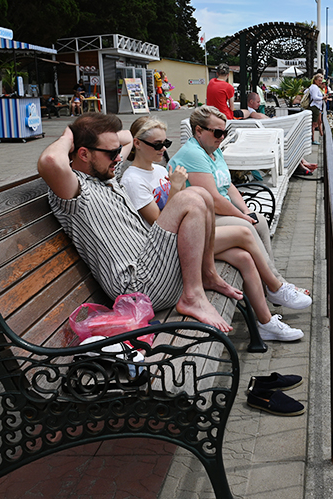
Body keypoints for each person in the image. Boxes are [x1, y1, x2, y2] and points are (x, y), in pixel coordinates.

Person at [37, 112, 241, 333]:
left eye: (118, 152)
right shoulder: (75, 190)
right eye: (112, 153)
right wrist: (69, 135)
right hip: (137, 288)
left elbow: (126, 138)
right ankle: (193, 297)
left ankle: (208, 275)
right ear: (84, 154)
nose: (119, 158)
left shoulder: (106, 176)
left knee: (202, 194)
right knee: (190, 198)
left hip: (154, 268)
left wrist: (92, 136)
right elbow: (50, 161)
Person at [120, 117, 308, 341]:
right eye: (157, 145)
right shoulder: (132, 180)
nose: (162, 149)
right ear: (138, 144)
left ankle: (265, 323)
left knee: (245, 258)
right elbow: (160, 225)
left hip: (189, 236)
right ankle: (276, 287)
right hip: (169, 248)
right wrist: (176, 188)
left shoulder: (159, 171)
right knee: (244, 232)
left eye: (166, 144)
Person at [168, 106, 311, 299]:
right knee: (247, 226)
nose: (221, 137)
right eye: (217, 132)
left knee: (257, 219)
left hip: (215, 214)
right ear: (199, 131)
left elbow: (227, 186)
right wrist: (241, 216)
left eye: (225, 132)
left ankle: (276, 283)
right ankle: (275, 286)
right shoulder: (193, 154)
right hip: (201, 219)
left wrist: (245, 210)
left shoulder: (213, 150)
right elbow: (214, 199)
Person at [306, 74, 326, 144]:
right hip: (315, 107)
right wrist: (322, 98)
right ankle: (312, 139)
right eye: (319, 80)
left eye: (321, 80)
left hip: (316, 107)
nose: (320, 82)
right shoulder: (314, 87)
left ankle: (312, 139)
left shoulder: (313, 87)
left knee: (314, 124)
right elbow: (315, 97)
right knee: (314, 124)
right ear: (315, 80)